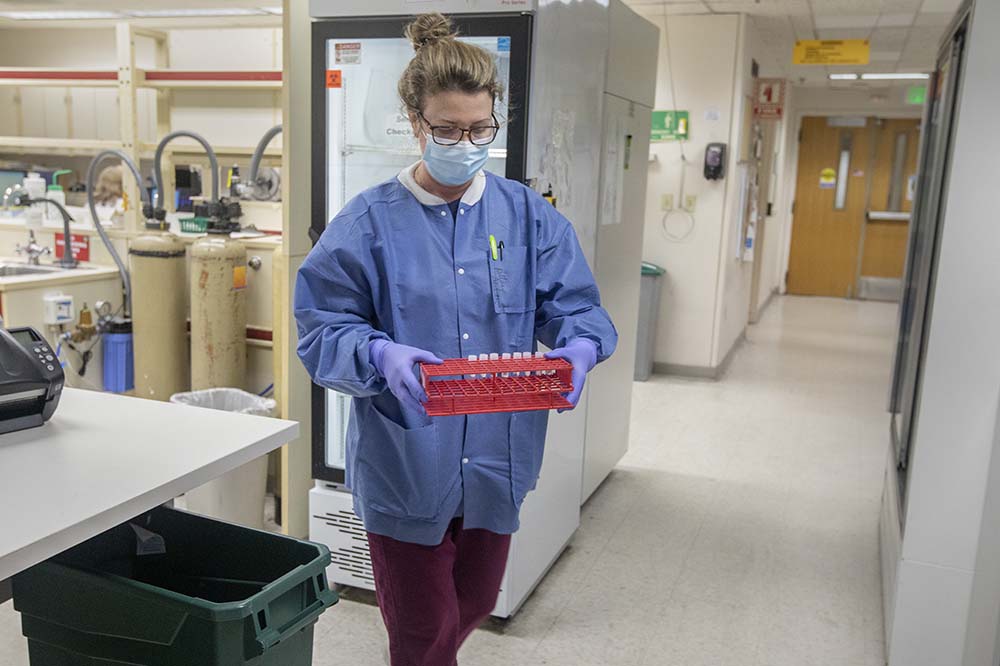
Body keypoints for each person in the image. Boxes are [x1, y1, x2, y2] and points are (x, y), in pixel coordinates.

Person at [295, 12, 617, 666]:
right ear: (416, 124)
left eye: (480, 129)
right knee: (421, 632)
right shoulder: (365, 225)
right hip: (407, 465)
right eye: (447, 129)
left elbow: (580, 310)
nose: (464, 142)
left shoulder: (530, 219)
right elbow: (322, 330)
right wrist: (378, 355)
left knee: (471, 604)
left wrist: (580, 350)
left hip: (500, 464)